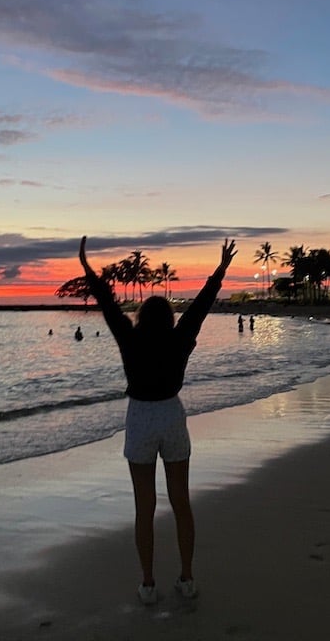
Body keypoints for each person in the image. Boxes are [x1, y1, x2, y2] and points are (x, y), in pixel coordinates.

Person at [79, 235, 237, 605]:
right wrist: (221, 269)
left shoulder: (129, 339)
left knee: (144, 507)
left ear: (140, 319)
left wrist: (89, 270)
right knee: (181, 502)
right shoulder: (180, 337)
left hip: (140, 418)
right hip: (171, 415)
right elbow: (200, 306)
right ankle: (186, 578)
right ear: (168, 319)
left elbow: (108, 306)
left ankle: (148, 584)